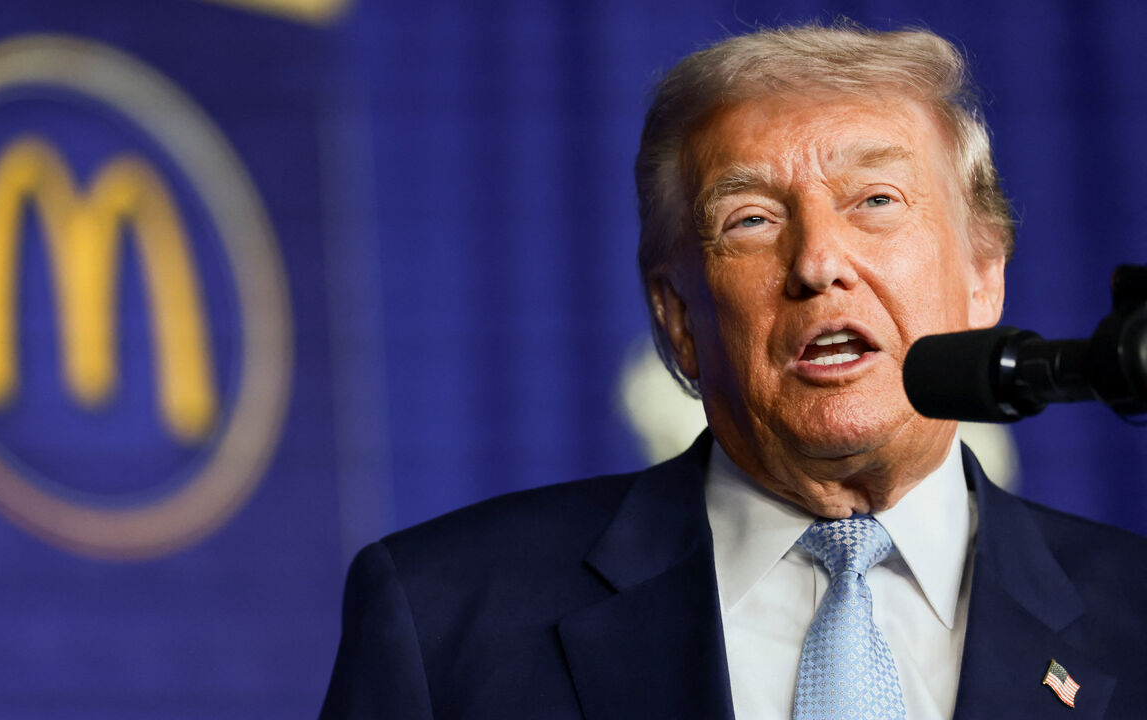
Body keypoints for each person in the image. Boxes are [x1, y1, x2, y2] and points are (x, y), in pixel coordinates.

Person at [321, 24, 1147, 719]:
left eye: (877, 201)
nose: (820, 261)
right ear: (677, 318)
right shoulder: (446, 617)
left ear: (984, 275)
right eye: (751, 219)